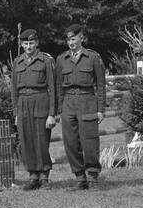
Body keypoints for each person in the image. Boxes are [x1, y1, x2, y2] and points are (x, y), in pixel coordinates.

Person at [53, 25, 106, 189]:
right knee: (71, 143)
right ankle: (80, 178)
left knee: (89, 141)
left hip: (87, 101)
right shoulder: (61, 59)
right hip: (68, 103)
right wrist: (60, 110)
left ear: (81, 38)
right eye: (68, 40)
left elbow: (101, 85)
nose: (71, 43)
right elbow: (59, 87)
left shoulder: (92, 57)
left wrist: (101, 109)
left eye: (74, 39)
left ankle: (92, 177)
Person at [11, 28, 56, 190]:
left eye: (31, 43)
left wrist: (52, 114)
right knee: (27, 140)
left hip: (40, 100)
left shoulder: (45, 60)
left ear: (36, 43)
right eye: (25, 43)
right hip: (23, 102)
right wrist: (16, 113)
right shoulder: (18, 62)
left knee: (41, 139)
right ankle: (33, 176)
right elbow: (14, 90)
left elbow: (52, 87)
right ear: (21, 44)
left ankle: (44, 176)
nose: (28, 46)